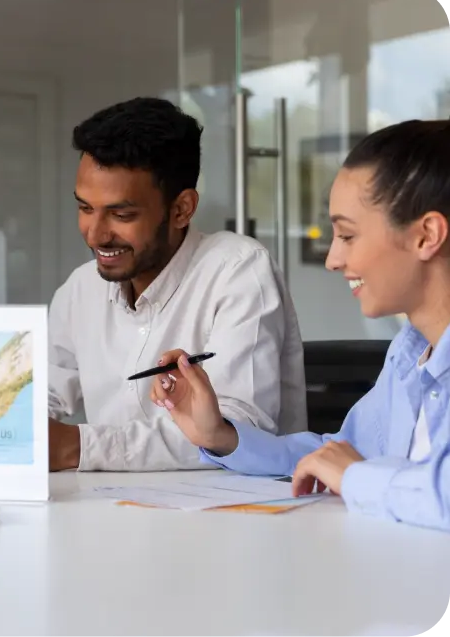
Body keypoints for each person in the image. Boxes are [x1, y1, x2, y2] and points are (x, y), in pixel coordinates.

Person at [154, 119, 450, 531]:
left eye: (347, 236)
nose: (332, 260)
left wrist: (354, 477)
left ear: (427, 235)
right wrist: (220, 435)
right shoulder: (410, 350)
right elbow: (339, 455)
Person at [47, 97, 306, 472]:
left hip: (235, 516)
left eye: (121, 214)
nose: (96, 234)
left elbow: (237, 429)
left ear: (182, 209)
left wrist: (79, 446)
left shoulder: (238, 271)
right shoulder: (81, 288)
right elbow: (41, 395)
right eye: (85, 208)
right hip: (111, 509)